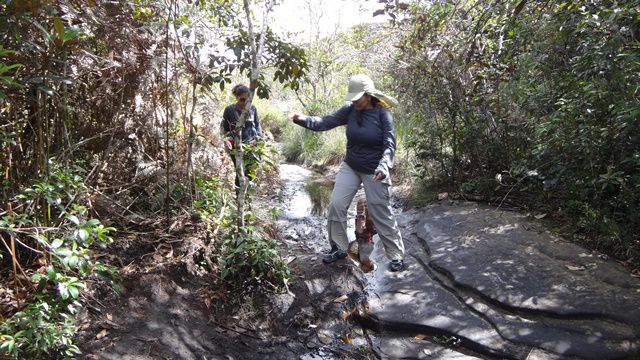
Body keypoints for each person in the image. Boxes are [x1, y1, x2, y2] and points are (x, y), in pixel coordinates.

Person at [290, 74, 406, 272]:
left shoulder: (382, 115)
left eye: (358, 97)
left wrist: (384, 166)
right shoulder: (349, 110)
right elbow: (325, 122)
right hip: (351, 165)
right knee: (336, 205)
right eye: (352, 98)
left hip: (375, 170)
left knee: (380, 211)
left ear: (368, 95)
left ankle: (395, 255)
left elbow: (389, 144)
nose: (354, 101)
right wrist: (301, 119)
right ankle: (340, 248)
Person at [221, 84, 262, 191]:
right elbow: (223, 129)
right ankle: (239, 198)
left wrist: (260, 141)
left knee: (249, 172)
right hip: (235, 147)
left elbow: (257, 125)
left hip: (251, 146)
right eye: (242, 100)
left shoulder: (252, 109)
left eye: (248, 100)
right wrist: (226, 141)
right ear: (237, 97)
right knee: (240, 171)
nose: (245, 103)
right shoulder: (229, 110)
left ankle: (247, 197)